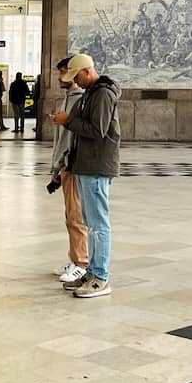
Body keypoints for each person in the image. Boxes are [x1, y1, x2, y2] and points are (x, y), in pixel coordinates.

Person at [52, 53, 121, 299]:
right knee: (90, 224)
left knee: (98, 225)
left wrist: (67, 121)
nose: (75, 82)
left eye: (76, 76)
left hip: (97, 165)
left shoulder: (102, 93)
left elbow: (98, 130)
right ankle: (91, 271)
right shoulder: (91, 92)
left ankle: (100, 277)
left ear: (87, 71)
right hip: (86, 164)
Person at [48, 56, 88, 287]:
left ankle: (81, 264)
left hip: (72, 164)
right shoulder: (69, 99)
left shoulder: (78, 100)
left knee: (76, 216)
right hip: (65, 164)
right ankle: (75, 260)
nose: (59, 77)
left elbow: (70, 138)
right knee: (70, 216)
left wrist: (60, 164)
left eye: (62, 72)